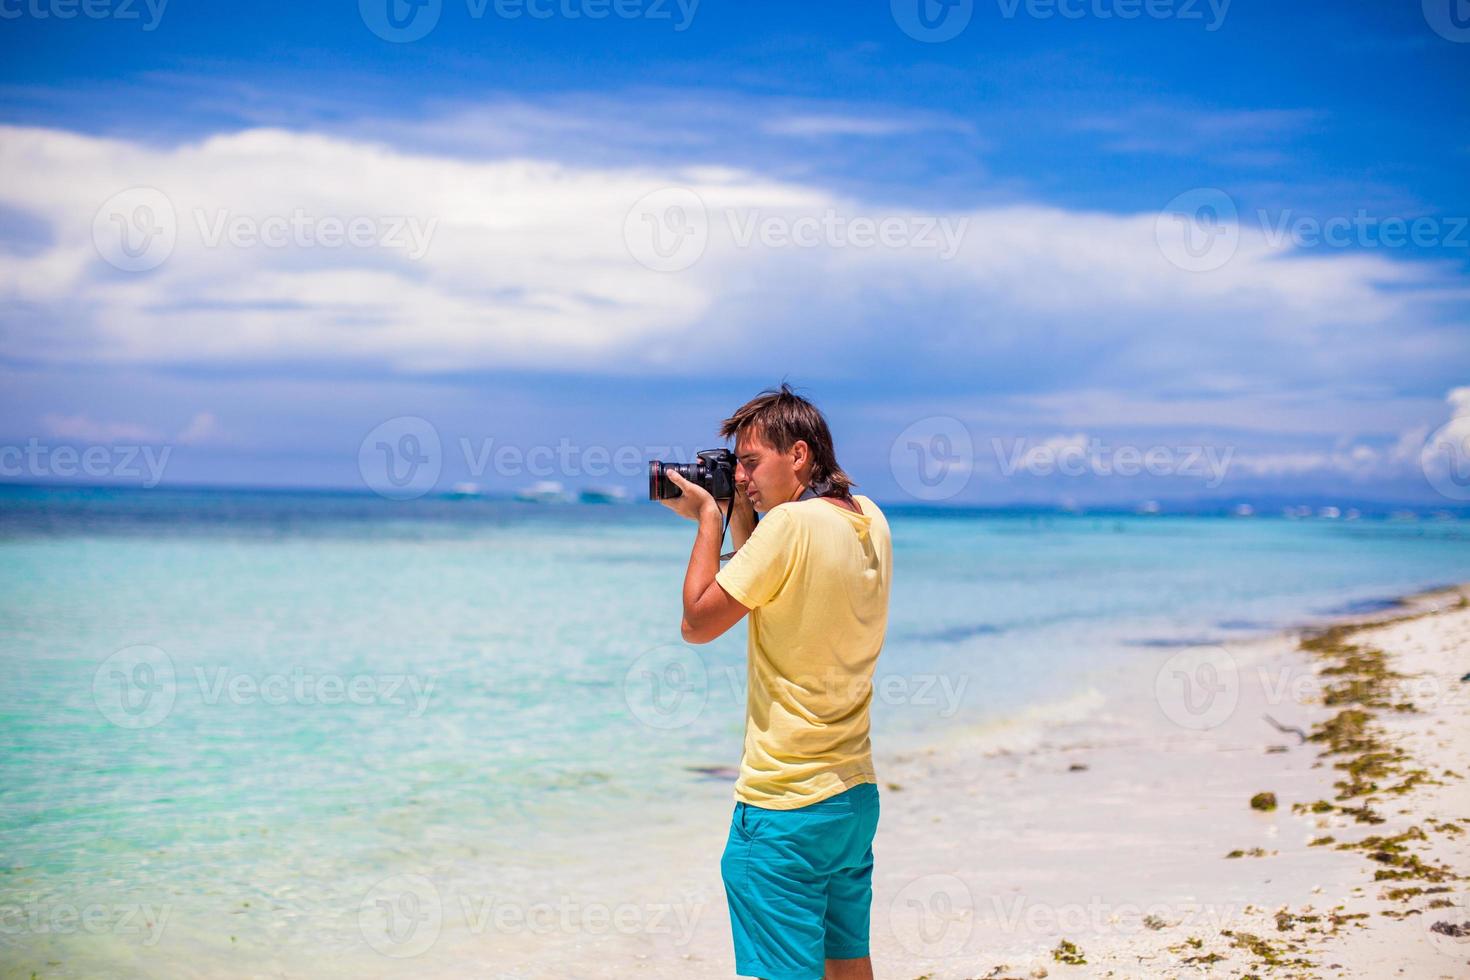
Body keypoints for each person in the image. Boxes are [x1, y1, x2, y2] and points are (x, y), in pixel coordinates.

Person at [658, 383, 893, 980]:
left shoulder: (788, 525)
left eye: (751, 462)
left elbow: (697, 623)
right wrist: (743, 518)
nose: (740, 477)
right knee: (847, 968)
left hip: (784, 805)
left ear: (800, 456)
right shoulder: (869, 519)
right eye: (736, 465)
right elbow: (771, 586)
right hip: (849, 795)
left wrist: (709, 519)